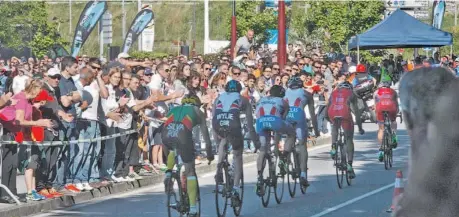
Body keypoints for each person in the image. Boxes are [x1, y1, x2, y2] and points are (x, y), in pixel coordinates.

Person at [162, 94, 214, 217]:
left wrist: (167, 164)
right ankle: (192, 208)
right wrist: (210, 154)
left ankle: (168, 173)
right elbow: (206, 137)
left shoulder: (173, 109)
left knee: (173, 149)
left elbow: (165, 127)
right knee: (190, 172)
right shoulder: (198, 111)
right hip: (183, 136)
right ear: (197, 104)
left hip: (166, 135)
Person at [212, 80, 260, 199]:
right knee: (237, 155)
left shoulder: (218, 98)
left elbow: (214, 120)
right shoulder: (243, 99)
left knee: (223, 139)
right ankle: (236, 188)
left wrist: (217, 143)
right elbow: (250, 125)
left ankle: (219, 167)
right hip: (233, 124)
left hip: (217, 123)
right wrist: (256, 142)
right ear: (239, 90)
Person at [254, 85, 295, 196]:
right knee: (291, 134)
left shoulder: (261, 99)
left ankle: (259, 177)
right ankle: (283, 157)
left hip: (260, 122)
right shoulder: (282, 101)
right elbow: (284, 116)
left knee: (263, 148)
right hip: (275, 121)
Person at [283, 76, 319, 187]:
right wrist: (316, 130)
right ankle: (303, 174)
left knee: (289, 138)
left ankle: (285, 160)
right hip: (299, 116)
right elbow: (313, 114)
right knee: (302, 145)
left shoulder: (284, 93)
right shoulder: (306, 94)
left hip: (287, 117)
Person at [325, 81, 364, 179]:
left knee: (335, 125)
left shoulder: (333, 93)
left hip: (332, 112)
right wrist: (360, 127)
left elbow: (327, 108)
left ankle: (333, 147)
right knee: (349, 138)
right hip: (344, 113)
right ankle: (350, 165)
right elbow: (357, 113)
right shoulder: (351, 93)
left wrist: (328, 118)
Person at [374, 81, 399, 162]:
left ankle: (381, 150)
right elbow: (396, 104)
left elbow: (375, 105)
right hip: (391, 107)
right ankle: (394, 135)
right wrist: (397, 112)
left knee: (381, 129)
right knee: (393, 122)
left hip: (380, 108)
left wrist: (376, 115)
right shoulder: (393, 91)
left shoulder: (376, 92)